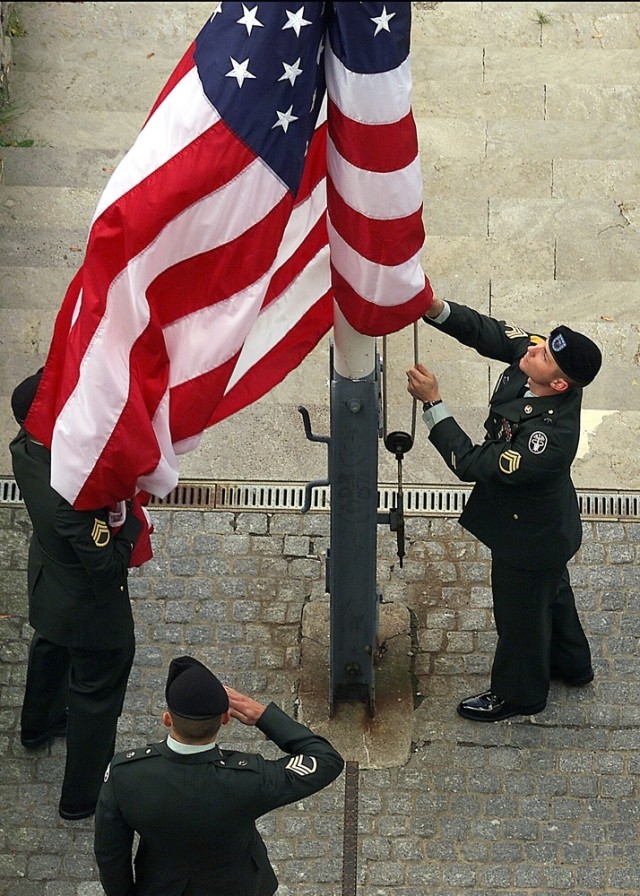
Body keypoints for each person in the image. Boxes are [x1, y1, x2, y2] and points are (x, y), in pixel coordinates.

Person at [406, 296, 602, 722]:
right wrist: (434, 307)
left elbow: (472, 464)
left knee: (520, 619)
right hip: (547, 529)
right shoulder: (539, 364)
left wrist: (433, 403)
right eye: (543, 344)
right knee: (551, 593)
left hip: (528, 539)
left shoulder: (547, 439)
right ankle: (572, 665)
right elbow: (492, 333)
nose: (533, 349)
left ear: (559, 385)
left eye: (544, 354)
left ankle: (520, 694)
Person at [94, 655, 345, 896]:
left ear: (167, 719)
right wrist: (264, 716)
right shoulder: (250, 778)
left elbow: (110, 854)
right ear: (225, 718)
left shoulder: (125, 774)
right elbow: (325, 760)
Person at [10, 368, 142, 820]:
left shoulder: (24, 450)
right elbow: (105, 568)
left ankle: (38, 726)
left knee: (49, 650)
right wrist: (132, 526)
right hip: (91, 611)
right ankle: (81, 799)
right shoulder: (70, 489)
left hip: (51, 586)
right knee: (96, 702)